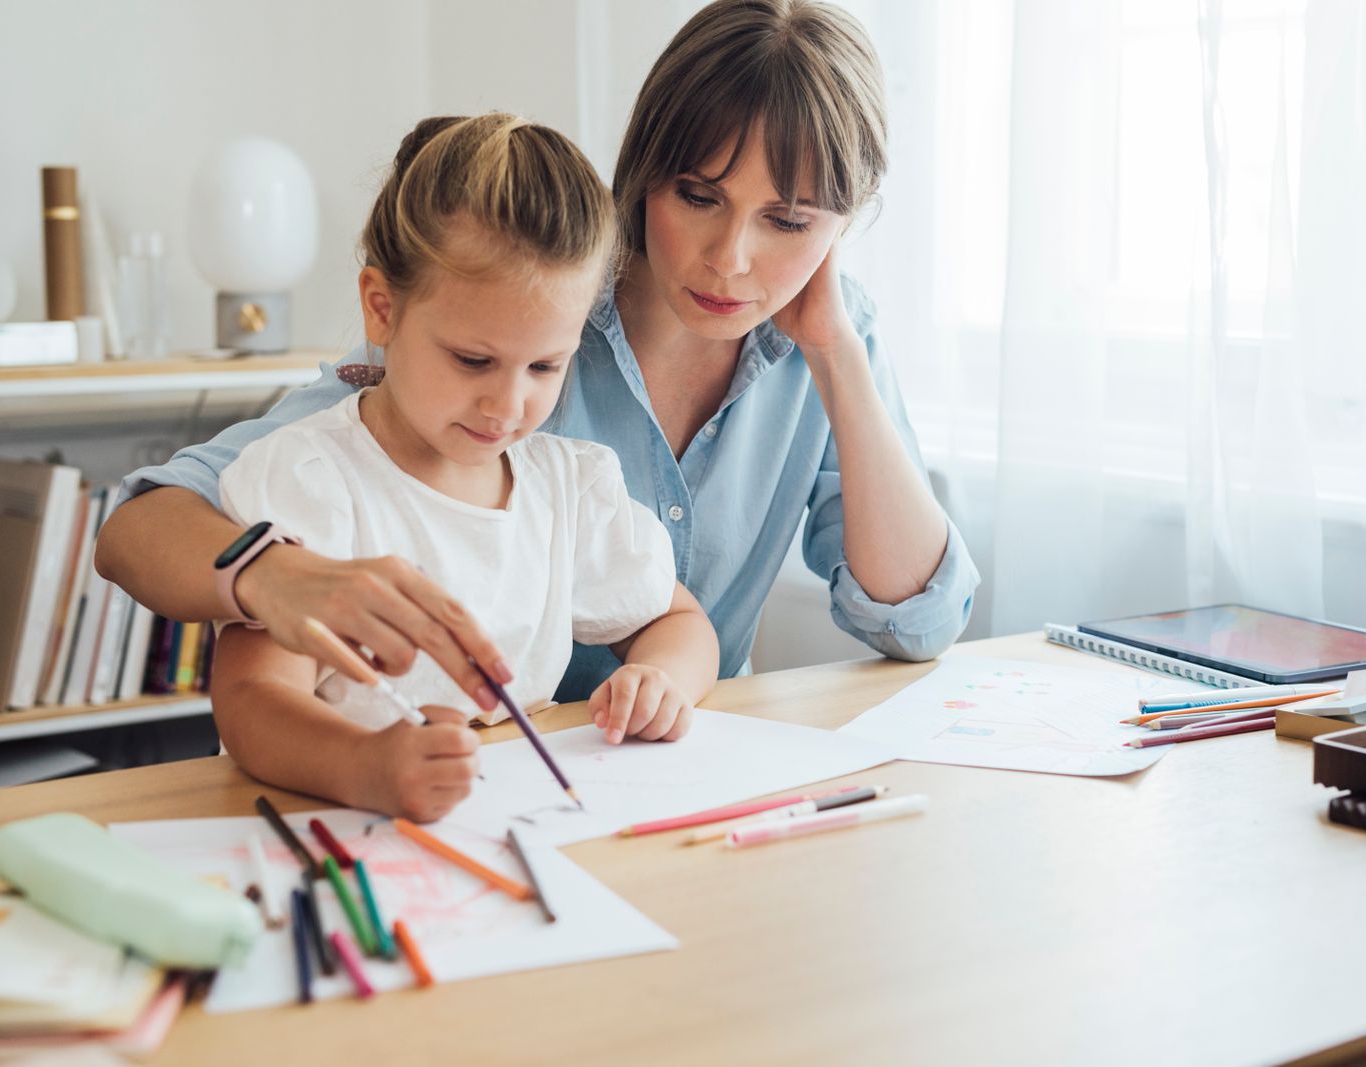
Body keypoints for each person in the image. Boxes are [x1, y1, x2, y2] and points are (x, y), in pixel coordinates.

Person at [95, 0, 978, 712]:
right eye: (698, 195)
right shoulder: (521, 312)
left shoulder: (826, 338)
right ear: (645, 171)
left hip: (676, 774)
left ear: (844, 223)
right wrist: (270, 573)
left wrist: (838, 357)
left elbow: (919, 621)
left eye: (789, 221)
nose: (732, 259)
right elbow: (143, 526)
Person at [209, 114, 718, 821]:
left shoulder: (567, 487)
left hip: (515, 821)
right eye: (473, 360)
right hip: (347, 826)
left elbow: (682, 621)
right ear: (382, 310)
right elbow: (249, 701)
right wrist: (367, 765)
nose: (507, 404)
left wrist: (661, 678)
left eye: (545, 365)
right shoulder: (312, 478)